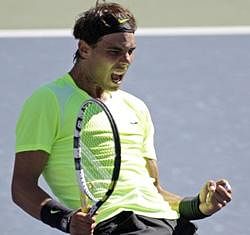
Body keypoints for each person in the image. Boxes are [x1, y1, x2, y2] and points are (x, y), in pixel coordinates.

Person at [11, 1, 232, 235]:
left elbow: (154, 192)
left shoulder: (136, 107)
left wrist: (199, 205)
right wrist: (66, 220)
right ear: (84, 49)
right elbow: (22, 186)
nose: (126, 60)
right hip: (118, 226)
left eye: (130, 51)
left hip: (170, 226)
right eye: (114, 52)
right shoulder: (49, 100)